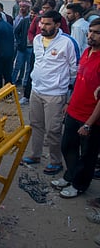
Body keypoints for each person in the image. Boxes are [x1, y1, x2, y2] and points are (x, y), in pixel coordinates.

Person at [22, 10, 77, 175]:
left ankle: (55, 161)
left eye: (47, 24)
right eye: (41, 23)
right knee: (36, 125)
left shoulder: (67, 43)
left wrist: (68, 96)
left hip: (55, 93)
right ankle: (35, 155)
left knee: (53, 130)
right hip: (37, 90)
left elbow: (75, 70)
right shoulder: (38, 40)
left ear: (57, 25)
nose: (42, 27)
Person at [51, 18, 100, 199]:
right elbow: (79, 83)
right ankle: (70, 175)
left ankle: (79, 185)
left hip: (90, 118)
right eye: (91, 31)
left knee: (87, 155)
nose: (91, 35)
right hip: (73, 111)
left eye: (96, 32)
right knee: (67, 146)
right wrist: (69, 103)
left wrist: (89, 123)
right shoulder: (87, 52)